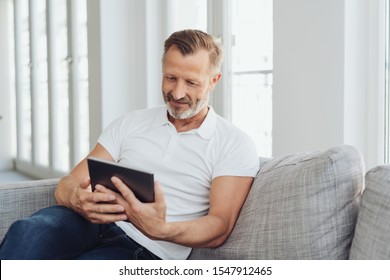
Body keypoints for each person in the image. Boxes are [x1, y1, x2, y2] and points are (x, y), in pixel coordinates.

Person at [0, 29, 259, 260]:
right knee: (26, 233)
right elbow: (69, 181)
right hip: (91, 221)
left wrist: (162, 229)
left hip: (149, 248)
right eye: (171, 78)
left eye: (191, 83)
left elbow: (220, 225)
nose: (178, 93)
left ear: (214, 81)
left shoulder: (233, 143)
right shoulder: (130, 122)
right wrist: (76, 198)